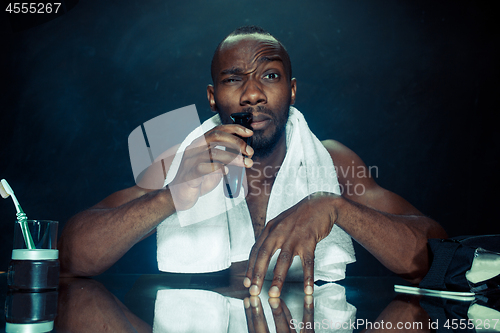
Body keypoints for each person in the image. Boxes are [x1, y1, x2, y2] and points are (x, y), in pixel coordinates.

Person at [58, 25, 447, 297]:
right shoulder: (182, 159)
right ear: (213, 98)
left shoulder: (332, 160)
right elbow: (73, 256)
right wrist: (171, 195)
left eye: (270, 76)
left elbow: (439, 253)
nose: (252, 95)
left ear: (292, 91)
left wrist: (334, 207)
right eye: (233, 80)